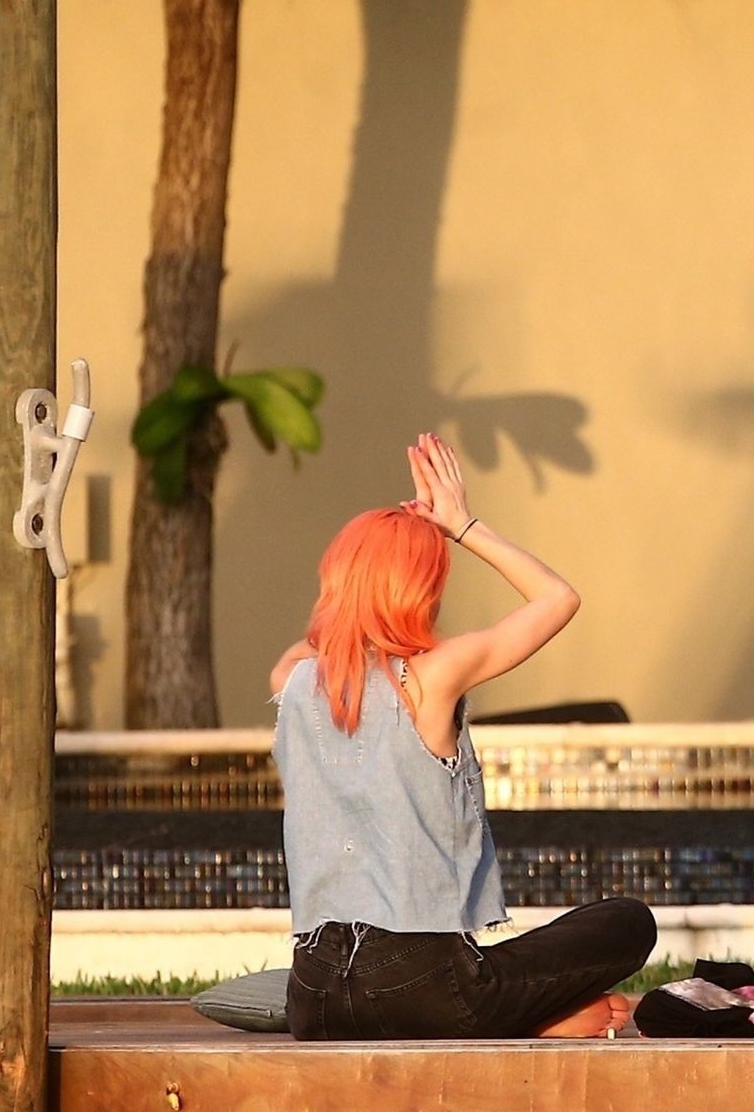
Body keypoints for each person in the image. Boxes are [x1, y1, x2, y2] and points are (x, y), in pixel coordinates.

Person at [271, 433, 655, 1039]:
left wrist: (355, 591)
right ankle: (535, 1016)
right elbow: (558, 599)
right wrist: (461, 524)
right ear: (420, 587)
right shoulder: (433, 674)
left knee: (437, 983)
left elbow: (322, 642)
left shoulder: (293, 680)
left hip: (313, 999)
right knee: (627, 921)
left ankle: (523, 1013)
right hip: (425, 990)